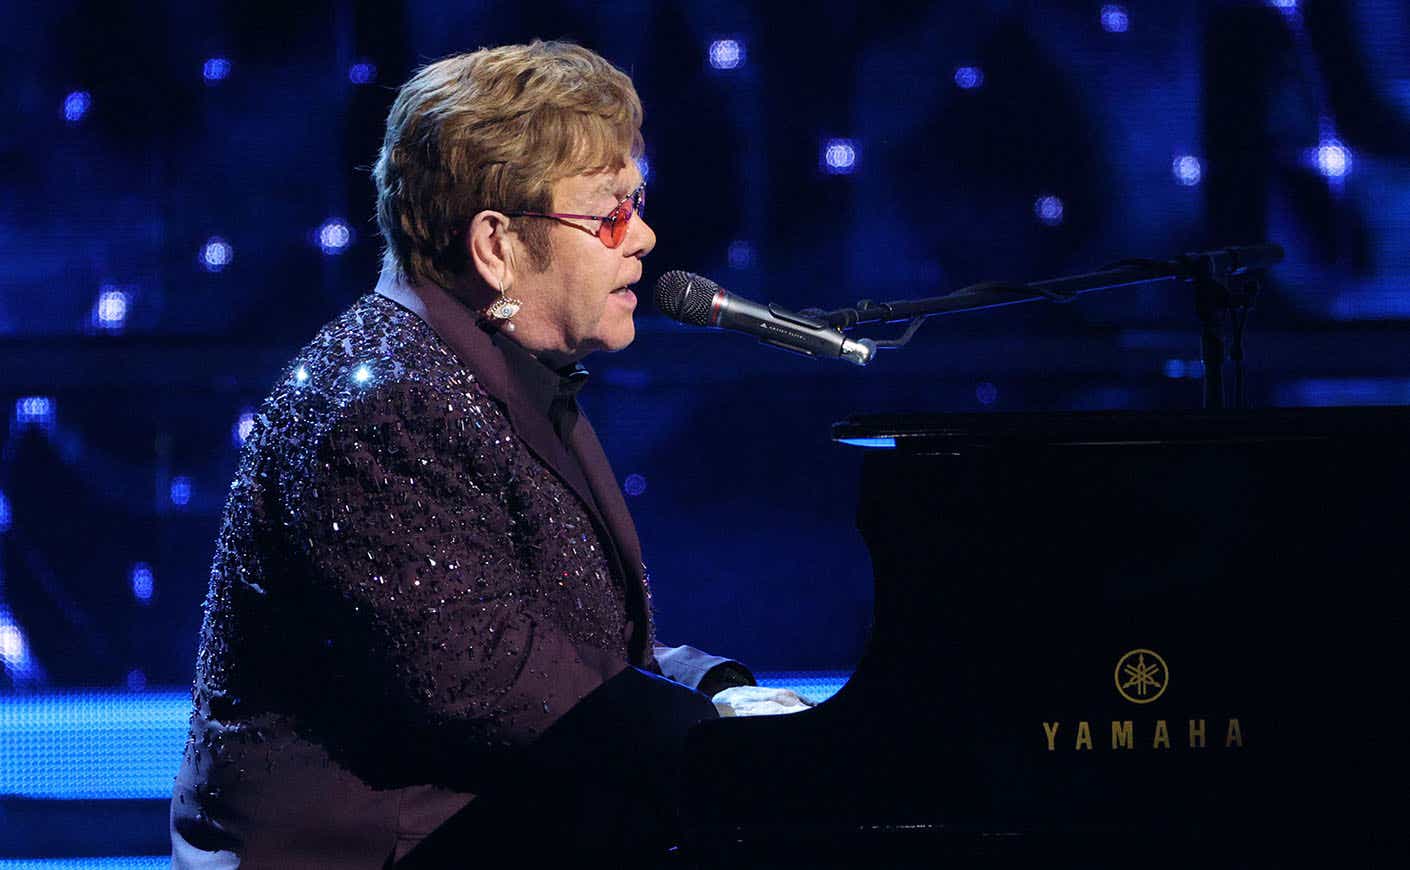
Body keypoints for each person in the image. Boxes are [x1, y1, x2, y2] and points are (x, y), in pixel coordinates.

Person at [170, 41, 763, 868]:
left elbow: (556, 636)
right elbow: (482, 679)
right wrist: (713, 740)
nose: (646, 237)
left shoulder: (477, 370)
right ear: (496, 245)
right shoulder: (384, 403)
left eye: (639, 202)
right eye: (610, 213)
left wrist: (711, 687)